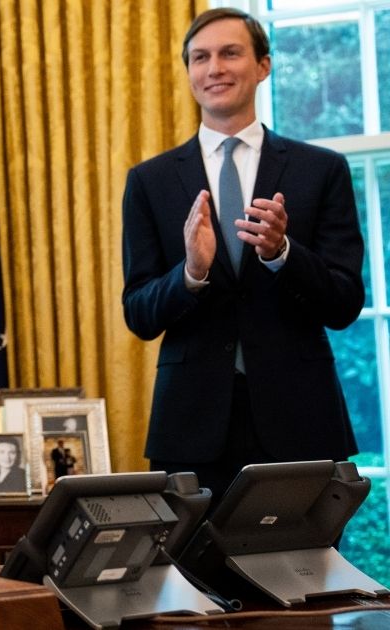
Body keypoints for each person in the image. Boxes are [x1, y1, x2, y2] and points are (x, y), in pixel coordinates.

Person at [122, 8, 364, 502]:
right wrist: (190, 272)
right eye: (200, 57)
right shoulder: (150, 181)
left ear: (263, 66)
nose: (215, 68)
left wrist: (283, 253)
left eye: (230, 53)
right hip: (190, 430)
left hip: (302, 425)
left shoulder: (321, 170)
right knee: (191, 579)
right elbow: (140, 314)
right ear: (188, 71)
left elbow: (344, 303)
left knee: (305, 578)